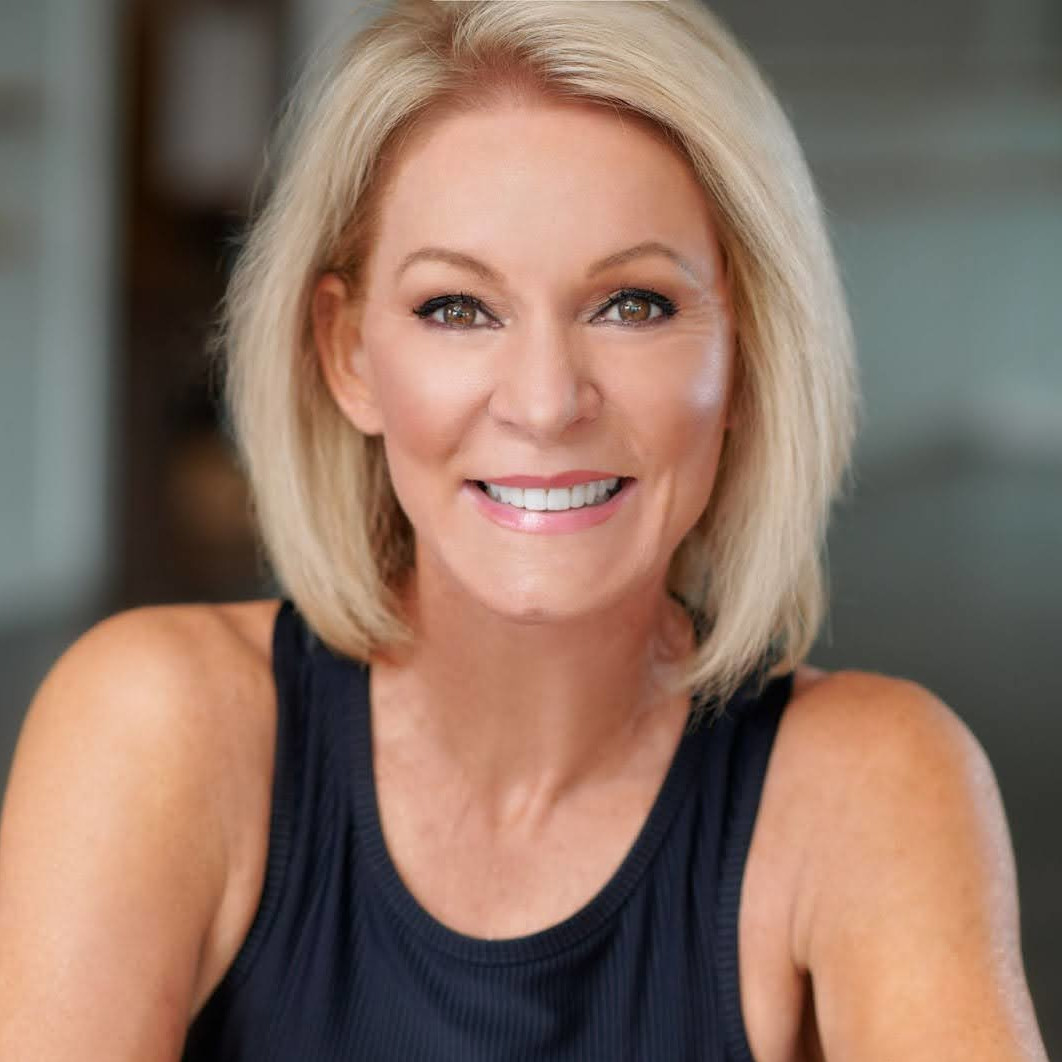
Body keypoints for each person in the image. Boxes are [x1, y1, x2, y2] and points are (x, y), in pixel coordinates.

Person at [0, 0, 1048, 1058]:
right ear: (348, 354)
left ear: (747, 354)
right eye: (458, 307)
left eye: (632, 304)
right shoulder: (154, 726)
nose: (545, 403)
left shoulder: (875, 783)